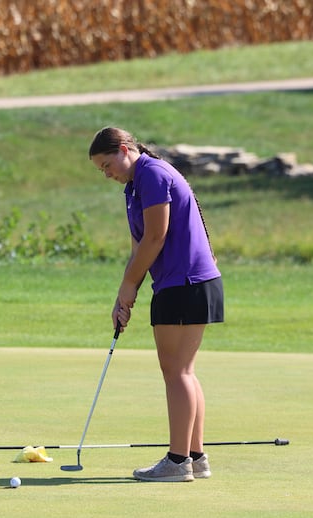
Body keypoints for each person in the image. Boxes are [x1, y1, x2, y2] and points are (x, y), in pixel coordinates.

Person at [88, 127, 224, 482]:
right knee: (184, 371)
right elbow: (139, 246)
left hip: (186, 283)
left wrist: (131, 284)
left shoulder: (151, 174)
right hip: (186, 284)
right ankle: (195, 457)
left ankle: (178, 462)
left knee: (176, 372)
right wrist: (124, 295)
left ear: (123, 149)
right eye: (101, 170)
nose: (107, 174)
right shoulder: (134, 187)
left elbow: (156, 236)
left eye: (106, 165)